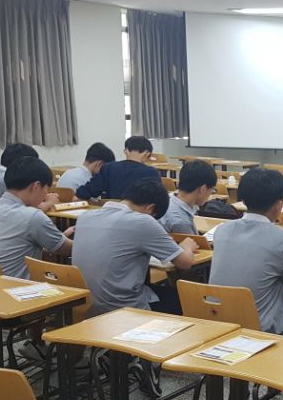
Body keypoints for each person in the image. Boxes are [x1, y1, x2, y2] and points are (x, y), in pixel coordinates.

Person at [209, 168, 283, 335]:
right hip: (260, 333)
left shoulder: (222, 230)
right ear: (278, 205)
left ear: (244, 200)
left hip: (217, 325)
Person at [73, 179, 197, 318]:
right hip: (123, 309)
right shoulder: (143, 221)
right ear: (150, 209)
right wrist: (187, 246)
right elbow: (185, 263)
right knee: (189, 299)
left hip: (86, 307)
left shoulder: (85, 216)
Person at [0, 156, 73, 280]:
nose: (46, 195)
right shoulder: (32, 217)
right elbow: (68, 250)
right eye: (47, 189)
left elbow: (16, 246)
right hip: (15, 287)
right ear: (36, 186)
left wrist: (59, 237)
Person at [76, 136, 161, 200]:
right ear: (147, 154)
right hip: (140, 216)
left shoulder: (108, 168)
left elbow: (84, 193)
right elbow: (158, 200)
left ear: (126, 151)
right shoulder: (151, 173)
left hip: (112, 215)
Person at [159, 159, 218, 235]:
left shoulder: (167, 200)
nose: (211, 194)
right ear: (203, 189)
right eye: (212, 190)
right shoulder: (181, 222)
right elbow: (193, 242)